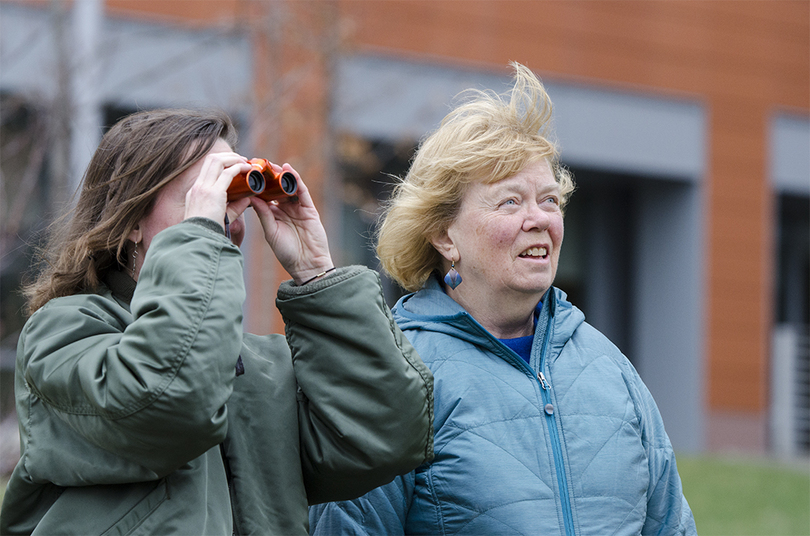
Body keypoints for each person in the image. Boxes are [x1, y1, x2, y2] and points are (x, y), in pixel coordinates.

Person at [0, 108, 434, 536]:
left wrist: (317, 272)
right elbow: (166, 401)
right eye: (204, 196)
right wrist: (200, 234)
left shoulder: (262, 366)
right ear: (131, 220)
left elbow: (383, 439)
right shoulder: (63, 332)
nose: (225, 219)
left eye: (233, 199)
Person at [309, 63, 697, 535]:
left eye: (549, 200)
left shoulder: (609, 369)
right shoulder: (394, 375)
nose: (538, 219)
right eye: (510, 202)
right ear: (443, 235)